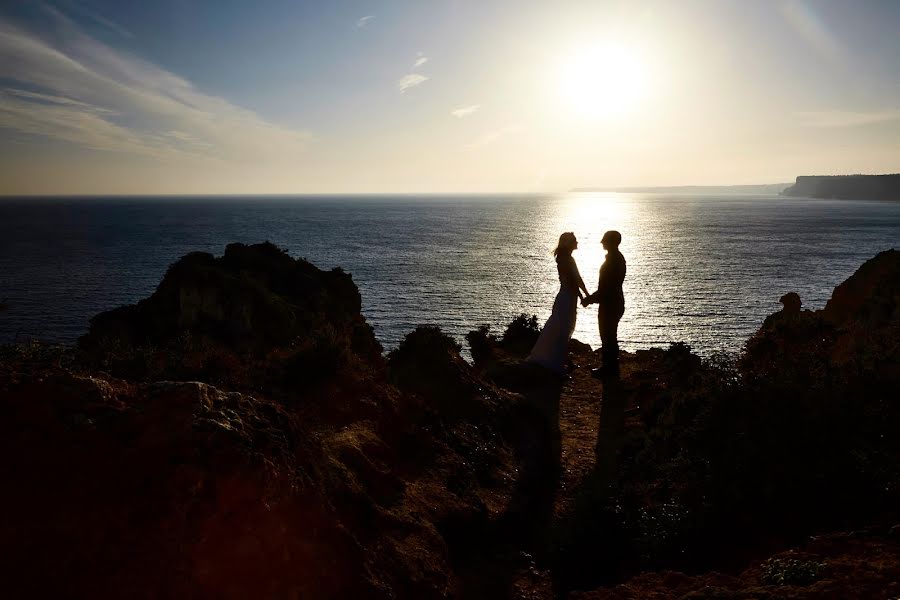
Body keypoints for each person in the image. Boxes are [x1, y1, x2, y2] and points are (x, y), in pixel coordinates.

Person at [528, 232, 589, 375]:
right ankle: (557, 362)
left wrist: (584, 294)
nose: (577, 241)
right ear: (568, 243)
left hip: (566, 296)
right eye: (574, 240)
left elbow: (575, 280)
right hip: (567, 298)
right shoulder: (567, 260)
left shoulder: (564, 258)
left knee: (559, 327)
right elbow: (574, 281)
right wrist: (583, 295)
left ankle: (555, 358)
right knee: (563, 329)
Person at [582, 230, 626, 377]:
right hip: (614, 302)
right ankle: (611, 368)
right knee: (609, 336)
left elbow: (606, 289)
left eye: (605, 240)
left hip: (610, 304)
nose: (601, 242)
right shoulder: (616, 259)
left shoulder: (613, 261)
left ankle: (609, 369)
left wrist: (589, 299)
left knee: (608, 336)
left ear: (612, 242)